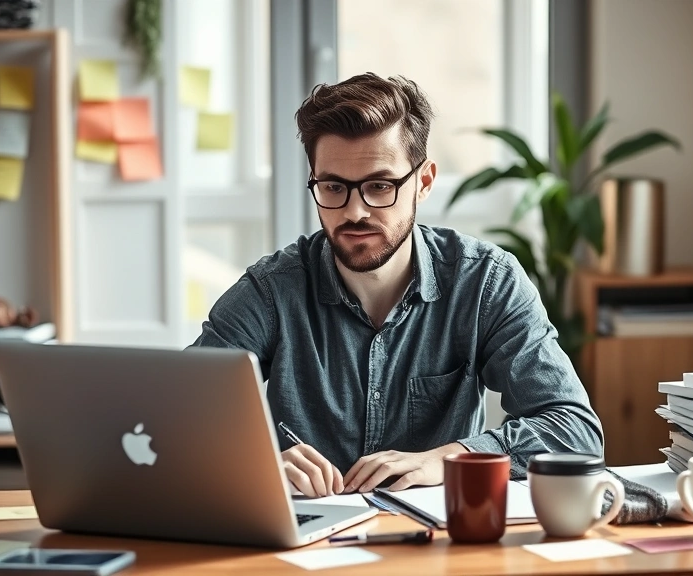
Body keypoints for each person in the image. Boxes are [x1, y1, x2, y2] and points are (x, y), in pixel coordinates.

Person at [191, 73, 602, 498]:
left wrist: (448, 457)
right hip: (307, 544)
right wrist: (259, 464)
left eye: (379, 186)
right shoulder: (271, 290)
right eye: (333, 187)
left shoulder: (485, 282)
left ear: (423, 183)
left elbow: (574, 429)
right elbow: (178, 418)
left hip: (438, 541)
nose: (354, 211)